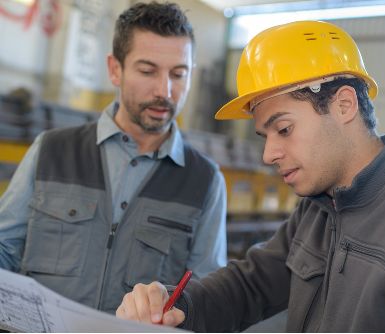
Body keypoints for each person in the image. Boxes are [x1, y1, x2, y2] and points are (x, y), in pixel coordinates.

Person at [116, 20, 385, 331]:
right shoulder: (320, 208)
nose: (269, 154)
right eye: (265, 136)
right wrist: (173, 304)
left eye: (283, 129)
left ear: (344, 104)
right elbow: (248, 286)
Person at [0, 1, 227, 313]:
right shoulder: (51, 151)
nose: (165, 90)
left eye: (178, 74)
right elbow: (4, 248)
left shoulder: (205, 181)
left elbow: (206, 294)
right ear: (114, 69)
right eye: (147, 71)